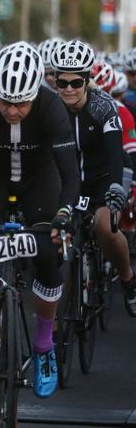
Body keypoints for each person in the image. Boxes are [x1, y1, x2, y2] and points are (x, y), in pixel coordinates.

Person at [0, 42, 80, 399]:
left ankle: (42, 346)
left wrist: (64, 213)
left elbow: (70, 174)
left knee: (47, 253)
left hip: (41, 182)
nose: (12, 110)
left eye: (21, 102)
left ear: (36, 92)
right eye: (5, 101)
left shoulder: (52, 107)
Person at [52, 40, 136, 315]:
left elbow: (115, 154)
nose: (68, 89)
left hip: (104, 176)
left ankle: (127, 280)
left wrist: (115, 188)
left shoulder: (104, 107)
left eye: (76, 83)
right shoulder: (51, 108)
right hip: (68, 180)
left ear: (88, 80)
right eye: (61, 82)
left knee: (105, 227)